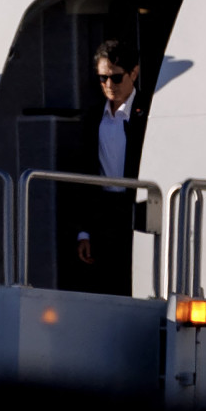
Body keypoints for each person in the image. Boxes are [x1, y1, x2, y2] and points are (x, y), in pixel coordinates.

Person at [75, 39, 147, 296]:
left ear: (134, 73)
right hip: (103, 211)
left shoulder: (146, 115)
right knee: (103, 284)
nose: (108, 85)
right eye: (103, 78)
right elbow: (83, 176)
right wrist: (83, 231)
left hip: (137, 209)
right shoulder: (94, 117)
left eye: (116, 78)